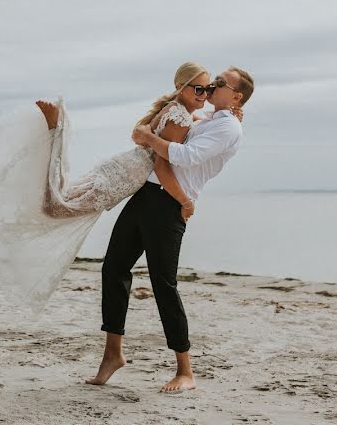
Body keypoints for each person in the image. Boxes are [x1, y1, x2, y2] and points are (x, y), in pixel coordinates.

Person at [0, 63, 240, 313]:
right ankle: (54, 131)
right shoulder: (181, 118)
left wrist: (232, 110)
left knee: (59, 202)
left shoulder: (176, 109)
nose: (205, 96)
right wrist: (186, 202)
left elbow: (158, 130)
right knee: (54, 207)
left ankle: (54, 133)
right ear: (182, 87)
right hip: (123, 178)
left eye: (208, 90)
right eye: (199, 90)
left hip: (122, 167)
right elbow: (162, 167)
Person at [86, 66, 254, 393]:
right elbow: (169, 135)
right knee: (114, 268)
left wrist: (150, 139)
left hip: (169, 204)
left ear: (236, 96)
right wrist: (151, 130)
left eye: (221, 84)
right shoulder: (211, 120)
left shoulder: (229, 128)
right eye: (211, 82)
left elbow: (186, 157)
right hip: (147, 195)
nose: (213, 87)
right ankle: (113, 355)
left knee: (164, 284)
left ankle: (185, 371)